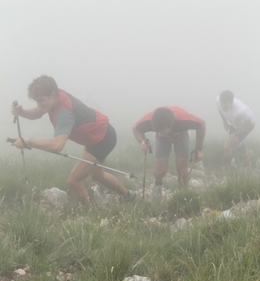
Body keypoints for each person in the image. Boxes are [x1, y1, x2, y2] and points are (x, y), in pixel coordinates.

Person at [11, 75, 135, 204]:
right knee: (98, 176)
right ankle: (128, 196)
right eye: (36, 100)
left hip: (102, 139)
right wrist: (22, 112)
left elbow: (57, 145)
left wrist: (28, 142)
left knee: (74, 181)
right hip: (98, 134)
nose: (38, 104)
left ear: (52, 94)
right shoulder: (54, 96)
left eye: (40, 100)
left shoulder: (64, 112)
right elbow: (37, 112)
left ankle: (90, 216)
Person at [133, 106, 206, 199]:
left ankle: (183, 194)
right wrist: (142, 141)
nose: (160, 134)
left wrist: (199, 149)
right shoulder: (149, 121)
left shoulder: (184, 120)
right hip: (162, 140)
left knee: (182, 170)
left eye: (163, 132)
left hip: (181, 136)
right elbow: (135, 128)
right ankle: (157, 185)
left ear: (172, 125)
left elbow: (202, 124)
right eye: (157, 131)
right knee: (160, 170)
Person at [216, 90, 255, 166]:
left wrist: (235, 134)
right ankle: (248, 154)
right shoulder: (218, 100)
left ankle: (227, 169)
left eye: (226, 106)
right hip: (233, 124)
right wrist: (225, 122)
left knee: (227, 146)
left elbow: (249, 125)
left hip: (246, 125)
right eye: (222, 105)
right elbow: (220, 109)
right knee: (235, 143)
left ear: (231, 103)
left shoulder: (241, 111)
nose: (223, 108)